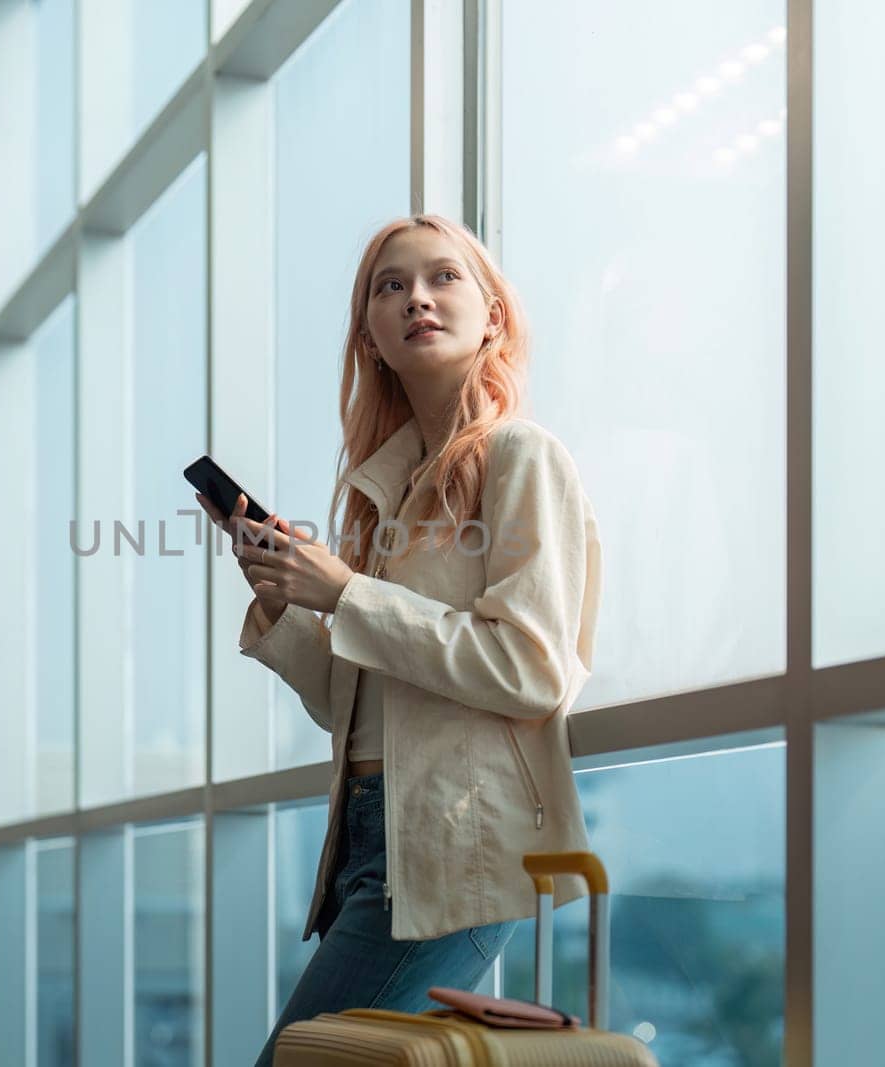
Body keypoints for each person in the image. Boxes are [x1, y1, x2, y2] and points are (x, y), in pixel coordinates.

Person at [194, 213, 604, 1066]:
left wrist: (346, 592)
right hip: (370, 840)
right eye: (390, 286)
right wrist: (287, 602)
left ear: (492, 314)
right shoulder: (386, 497)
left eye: (442, 277)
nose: (416, 297)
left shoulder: (521, 458)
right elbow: (355, 707)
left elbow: (532, 670)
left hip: (455, 844)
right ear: (371, 337)